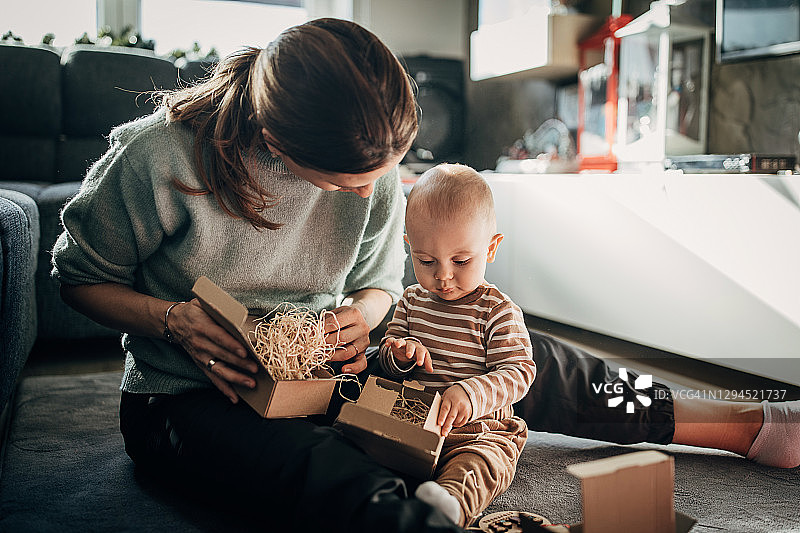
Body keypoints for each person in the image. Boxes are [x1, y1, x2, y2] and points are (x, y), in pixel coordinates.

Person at [52, 14, 798, 533]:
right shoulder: (158, 158)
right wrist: (172, 320)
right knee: (322, 476)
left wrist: (362, 318)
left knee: (524, 359)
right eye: (346, 184)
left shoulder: (374, 168)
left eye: (380, 177)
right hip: (183, 400)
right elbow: (76, 278)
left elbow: (379, 285)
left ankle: (749, 425)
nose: (367, 196)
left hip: (333, 373)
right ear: (277, 143)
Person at [379, 164, 536, 527]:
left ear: (490, 248)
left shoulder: (496, 310)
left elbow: (519, 372)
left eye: (461, 260)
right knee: (363, 444)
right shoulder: (411, 301)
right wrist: (399, 355)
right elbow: (386, 356)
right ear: (410, 247)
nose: (443, 275)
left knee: (482, 465)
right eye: (426, 261)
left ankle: (448, 506)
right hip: (414, 421)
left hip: (478, 430)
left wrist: (471, 393)